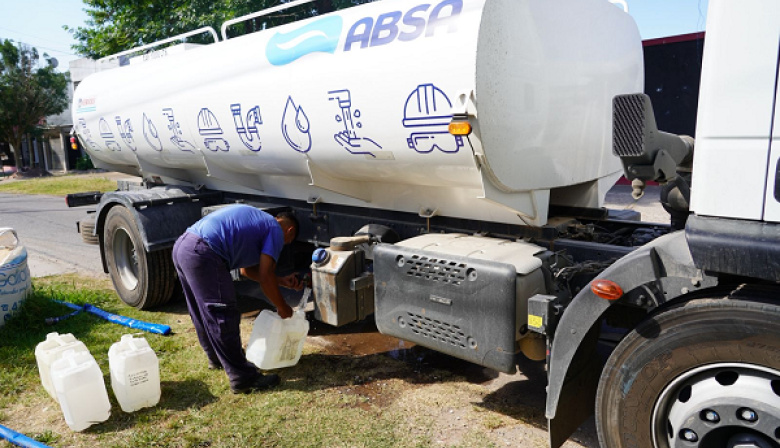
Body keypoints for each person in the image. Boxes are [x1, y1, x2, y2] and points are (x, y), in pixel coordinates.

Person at [172, 204, 302, 394]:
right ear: (289, 231)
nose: (283, 246)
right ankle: (243, 377)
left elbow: (246, 270)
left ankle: (217, 357)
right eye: (288, 242)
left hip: (184, 246)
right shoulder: (275, 229)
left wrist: (281, 281)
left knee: (201, 310)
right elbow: (265, 276)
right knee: (223, 313)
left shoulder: (259, 223)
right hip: (204, 252)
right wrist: (282, 306)